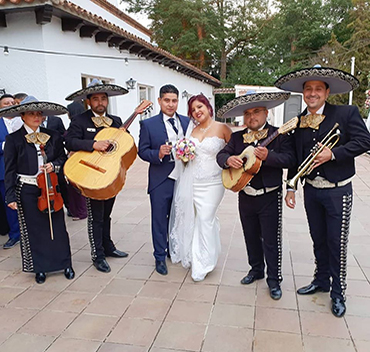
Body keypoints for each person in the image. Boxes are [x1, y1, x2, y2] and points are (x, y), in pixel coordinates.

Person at [275, 66, 370, 316]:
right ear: (303, 93)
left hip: (338, 191)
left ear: (327, 92)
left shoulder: (346, 113)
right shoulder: (298, 121)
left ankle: (338, 293)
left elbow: (364, 141)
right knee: (318, 239)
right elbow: (295, 157)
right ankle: (321, 280)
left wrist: (334, 153)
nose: (313, 93)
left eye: (318, 89)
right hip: (312, 191)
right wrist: (291, 187)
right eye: (308, 89)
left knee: (336, 243)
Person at [216, 92, 296, 300]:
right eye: (248, 113)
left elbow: (289, 159)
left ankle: (274, 280)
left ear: (266, 113)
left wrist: (269, 156)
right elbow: (221, 155)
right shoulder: (236, 137)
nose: (252, 117)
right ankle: (256, 269)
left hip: (269, 195)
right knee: (250, 235)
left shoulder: (279, 134)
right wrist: (229, 160)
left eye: (257, 112)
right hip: (245, 194)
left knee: (271, 240)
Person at [2, 96, 74, 284]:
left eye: (39, 114)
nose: (36, 117)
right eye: (31, 113)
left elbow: (62, 158)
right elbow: (9, 169)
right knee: (35, 229)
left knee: (58, 227)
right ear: (23, 116)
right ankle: (40, 267)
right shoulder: (13, 139)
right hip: (27, 188)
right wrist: (10, 195)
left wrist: (54, 166)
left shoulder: (53, 135)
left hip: (52, 188)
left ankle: (65, 263)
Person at [65, 79, 129, 273]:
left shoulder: (116, 121)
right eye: (95, 99)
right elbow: (70, 142)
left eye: (103, 99)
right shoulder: (80, 120)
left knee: (107, 214)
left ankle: (108, 247)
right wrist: (92, 144)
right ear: (88, 101)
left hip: (110, 175)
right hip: (91, 174)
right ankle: (97, 254)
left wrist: (124, 136)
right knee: (95, 216)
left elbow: (122, 145)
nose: (100, 102)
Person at [169, 94, 231, 281]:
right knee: (196, 219)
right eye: (193, 110)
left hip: (213, 183)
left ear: (208, 107)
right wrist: (183, 155)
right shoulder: (191, 132)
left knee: (205, 218)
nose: (197, 111)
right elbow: (184, 156)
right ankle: (199, 255)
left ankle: (204, 263)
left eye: (200, 107)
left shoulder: (223, 128)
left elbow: (233, 150)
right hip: (193, 182)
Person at [138, 84, 189, 275]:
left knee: (179, 217)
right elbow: (142, 151)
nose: (170, 104)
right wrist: (157, 153)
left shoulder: (186, 122)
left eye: (174, 100)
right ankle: (160, 256)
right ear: (160, 101)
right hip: (161, 179)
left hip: (183, 177)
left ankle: (174, 249)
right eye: (166, 100)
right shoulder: (148, 124)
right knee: (160, 219)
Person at [0, 94, 22, 249]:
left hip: (26, 170)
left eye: (12, 103)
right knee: (10, 204)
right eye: (5, 103)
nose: (9, 105)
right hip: (4, 172)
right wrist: (7, 146)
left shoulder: (23, 120)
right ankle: (15, 234)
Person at [65, 101, 87, 221]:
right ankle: (77, 210)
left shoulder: (77, 124)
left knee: (77, 187)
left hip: (77, 159)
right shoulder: (75, 124)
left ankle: (81, 211)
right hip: (74, 158)